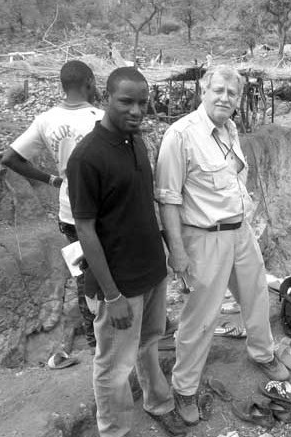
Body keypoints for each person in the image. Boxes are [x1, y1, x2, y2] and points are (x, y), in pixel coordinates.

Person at [156, 65, 288, 426]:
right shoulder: (180, 135)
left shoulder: (230, 130)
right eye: (218, 90)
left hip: (239, 231)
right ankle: (184, 387)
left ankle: (262, 353)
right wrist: (177, 252)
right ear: (203, 90)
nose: (225, 98)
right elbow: (167, 198)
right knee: (201, 316)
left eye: (232, 93)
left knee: (256, 293)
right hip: (204, 238)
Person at [67, 67, 186, 437]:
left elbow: (139, 206)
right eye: (126, 101)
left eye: (142, 103)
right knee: (113, 365)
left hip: (151, 271)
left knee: (149, 343)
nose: (136, 110)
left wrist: (167, 254)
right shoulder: (87, 158)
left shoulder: (135, 141)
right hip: (119, 284)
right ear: (105, 99)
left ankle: (158, 402)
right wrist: (113, 295)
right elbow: (85, 230)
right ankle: (114, 430)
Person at [1, 60, 101, 351]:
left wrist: (52, 180)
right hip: (102, 213)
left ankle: (94, 342)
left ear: (62, 85)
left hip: (69, 212)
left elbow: (10, 158)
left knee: (83, 274)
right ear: (90, 82)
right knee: (111, 270)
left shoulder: (45, 120)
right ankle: (116, 337)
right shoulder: (100, 118)